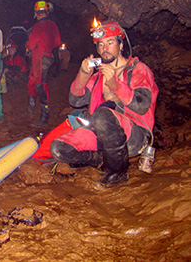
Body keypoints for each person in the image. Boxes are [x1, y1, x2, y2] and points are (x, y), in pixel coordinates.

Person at [50, 20, 159, 187]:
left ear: (121, 45)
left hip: (134, 135)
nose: (104, 49)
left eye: (110, 43)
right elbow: (75, 100)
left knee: (102, 116)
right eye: (100, 44)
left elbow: (141, 105)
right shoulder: (98, 77)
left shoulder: (138, 70)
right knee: (59, 148)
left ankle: (117, 173)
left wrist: (115, 84)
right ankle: (102, 161)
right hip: (101, 134)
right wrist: (84, 73)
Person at [26, 0, 61, 126]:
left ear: (36, 13)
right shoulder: (53, 25)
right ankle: (30, 109)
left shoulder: (37, 26)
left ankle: (44, 117)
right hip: (47, 56)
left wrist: (28, 45)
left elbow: (31, 44)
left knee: (41, 86)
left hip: (39, 58)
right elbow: (57, 42)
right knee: (32, 82)